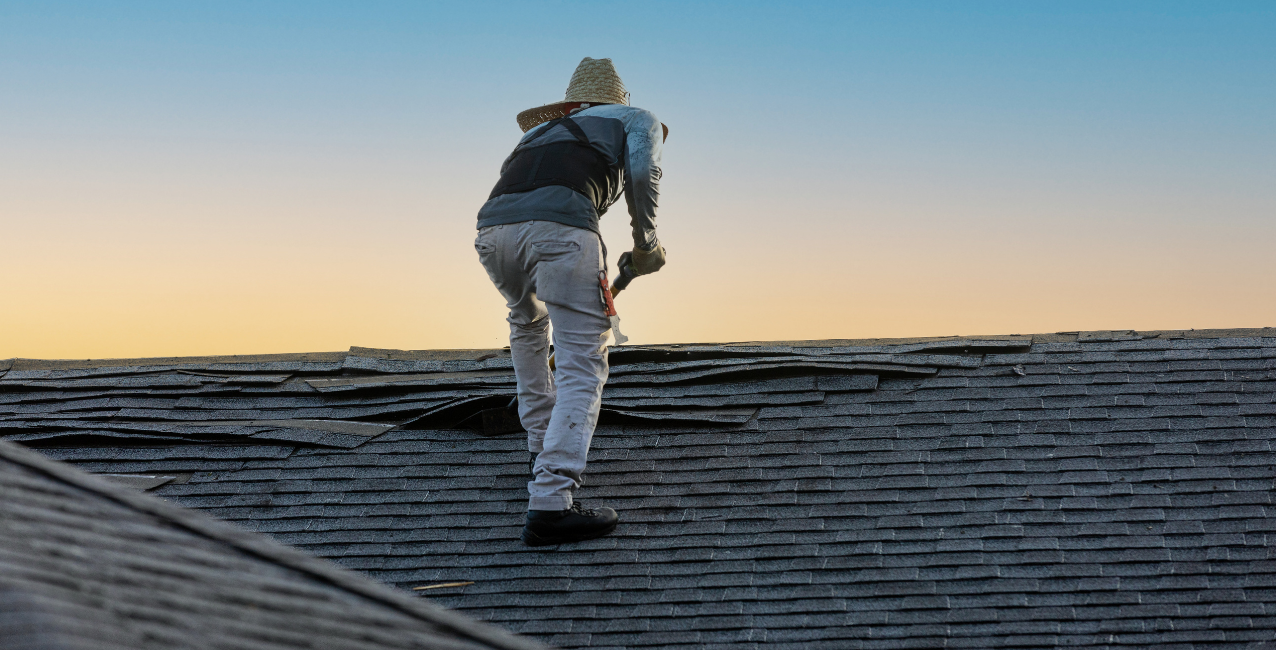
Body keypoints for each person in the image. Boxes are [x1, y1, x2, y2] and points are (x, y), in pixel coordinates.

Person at [474, 57, 667, 546]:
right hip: (562, 232)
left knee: (527, 326)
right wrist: (646, 245)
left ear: (571, 103)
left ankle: (541, 451)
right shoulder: (636, 118)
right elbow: (645, 173)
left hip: (492, 231)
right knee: (584, 361)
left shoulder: (535, 137)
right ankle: (551, 501)